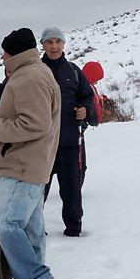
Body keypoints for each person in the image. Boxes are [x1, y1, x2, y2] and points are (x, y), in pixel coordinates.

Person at [0, 28, 63, 279]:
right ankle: (34, 278)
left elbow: (35, 123)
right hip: (34, 162)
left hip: (22, 164)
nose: (1, 56)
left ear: (14, 52)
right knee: (30, 226)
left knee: (5, 224)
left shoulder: (28, 77)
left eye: (4, 51)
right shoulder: (36, 72)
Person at [39, 27, 98, 237]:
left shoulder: (73, 70)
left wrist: (86, 110)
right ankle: (34, 228)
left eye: (58, 41)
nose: (54, 46)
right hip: (41, 144)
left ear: (63, 44)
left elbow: (87, 97)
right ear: (43, 45)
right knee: (37, 191)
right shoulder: (36, 70)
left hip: (69, 142)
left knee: (72, 189)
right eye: (49, 42)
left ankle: (74, 228)